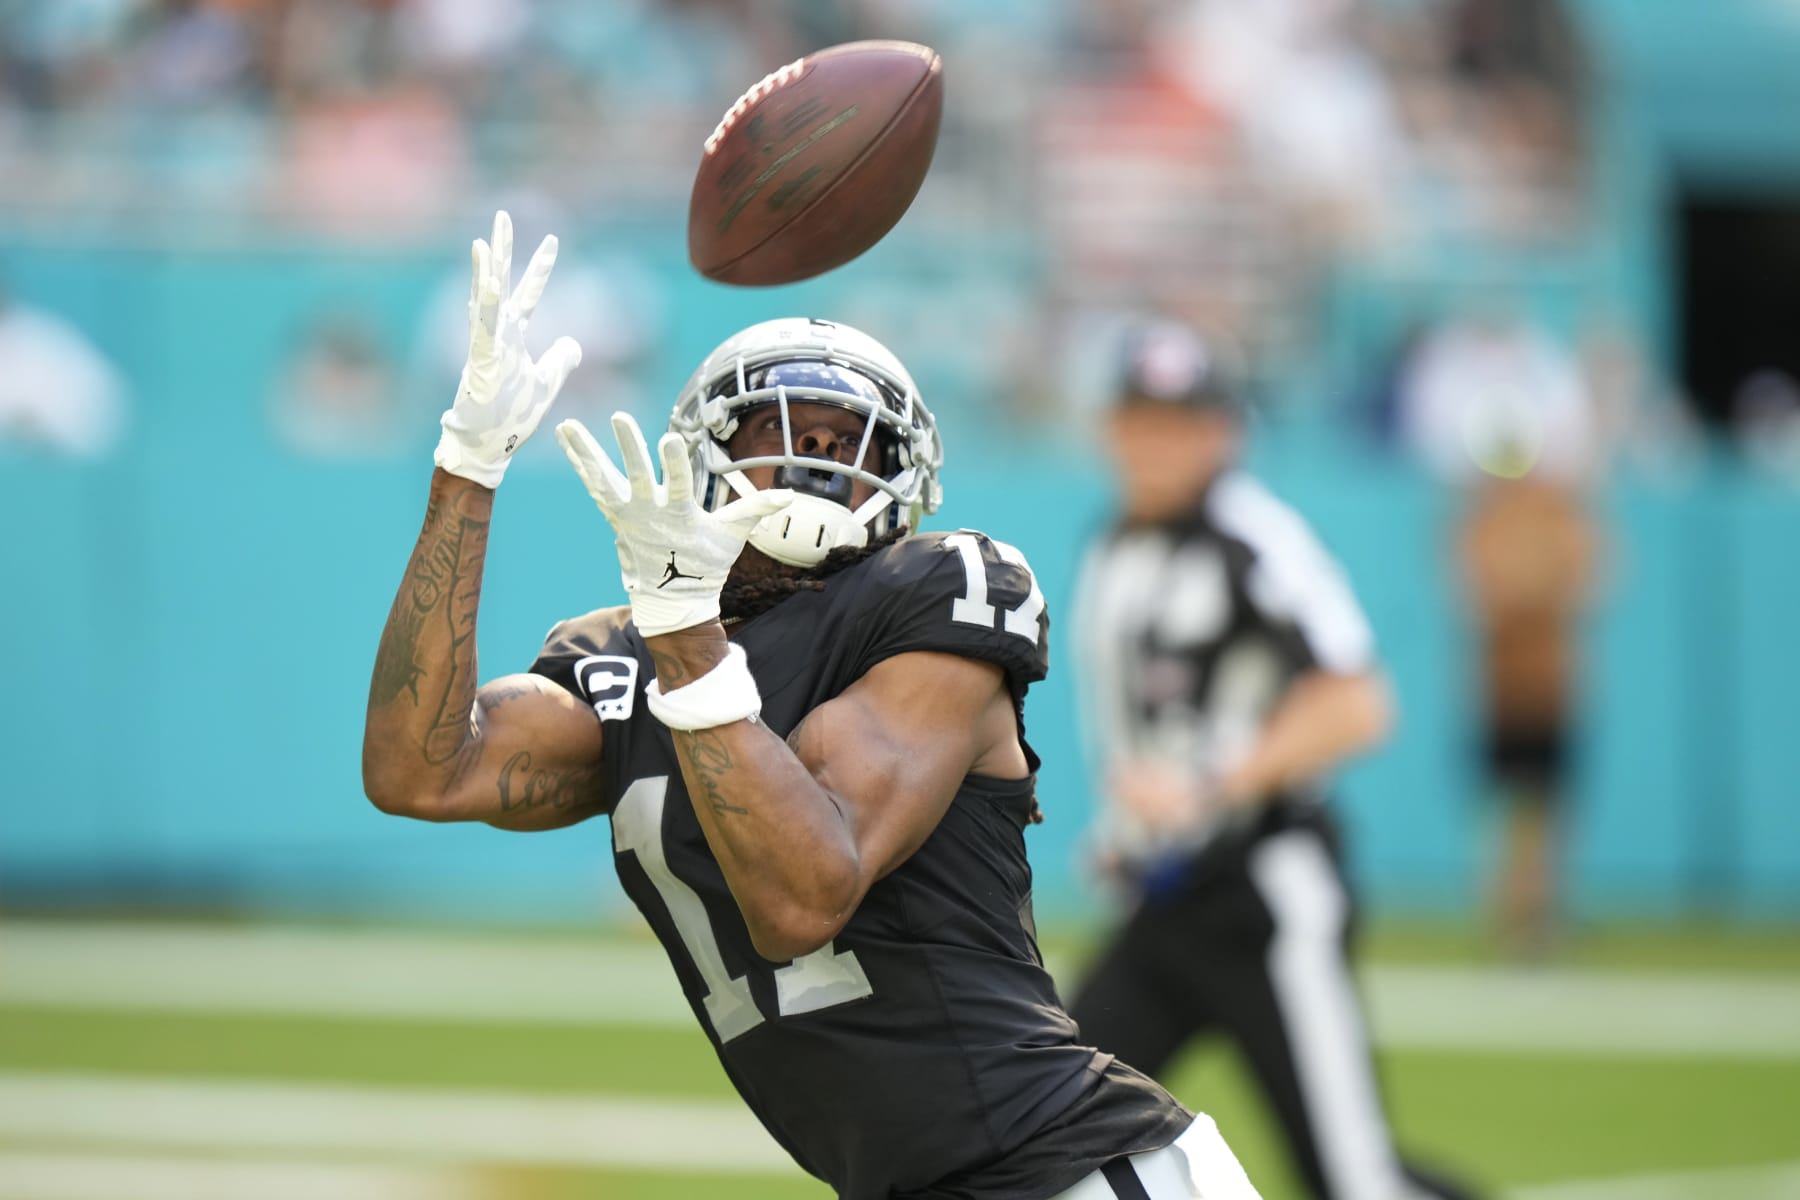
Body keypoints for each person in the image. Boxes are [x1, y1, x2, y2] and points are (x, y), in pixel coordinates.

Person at [361, 212, 1262, 1200]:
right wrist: (468, 469)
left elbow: (803, 896)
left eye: (848, 443)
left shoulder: (933, 594)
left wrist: (685, 636)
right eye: (778, 436)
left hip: (1069, 1172)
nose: (814, 463)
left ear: (905, 480)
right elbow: (420, 771)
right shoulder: (625, 654)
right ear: (705, 458)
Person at [1066, 319, 1479, 1200]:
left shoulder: (1252, 539)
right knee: (1040, 1135)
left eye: (1182, 422)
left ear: (1224, 432)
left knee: (1355, 1182)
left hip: (1264, 898)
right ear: (1110, 428)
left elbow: (1358, 702)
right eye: (1141, 419)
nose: (1158, 444)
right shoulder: (1113, 545)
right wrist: (1132, 830)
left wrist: (1209, 786)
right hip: (1162, 907)